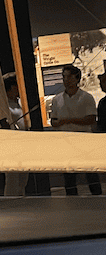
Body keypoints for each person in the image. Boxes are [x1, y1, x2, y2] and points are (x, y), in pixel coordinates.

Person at [48, 63, 101, 195]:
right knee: (69, 176)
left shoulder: (86, 97)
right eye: (64, 77)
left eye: (70, 77)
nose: (66, 80)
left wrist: (67, 120)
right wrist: (57, 123)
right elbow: (54, 120)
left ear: (77, 79)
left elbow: (90, 119)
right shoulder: (57, 99)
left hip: (84, 140)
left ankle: (97, 196)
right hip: (66, 142)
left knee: (90, 172)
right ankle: (72, 199)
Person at [1, 73, 29, 196]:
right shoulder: (4, 105)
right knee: (12, 177)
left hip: (24, 144)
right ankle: (10, 202)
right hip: (11, 145)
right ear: (10, 88)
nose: (18, 89)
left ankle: (21, 199)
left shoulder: (20, 102)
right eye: (16, 87)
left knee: (23, 177)